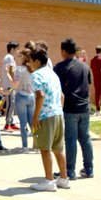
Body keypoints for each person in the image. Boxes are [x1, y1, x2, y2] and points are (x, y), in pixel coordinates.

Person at [28, 48, 70, 192]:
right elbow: (62, 96)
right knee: (58, 148)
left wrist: (35, 117)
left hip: (45, 116)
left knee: (45, 148)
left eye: (30, 61)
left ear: (37, 61)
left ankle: (49, 180)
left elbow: (40, 95)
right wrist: (58, 110)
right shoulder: (53, 74)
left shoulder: (36, 75)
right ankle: (64, 179)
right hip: (58, 114)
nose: (29, 64)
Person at [53, 38, 94, 180]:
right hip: (84, 106)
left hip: (69, 107)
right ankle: (89, 169)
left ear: (63, 51)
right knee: (85, 138)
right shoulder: (85, 66)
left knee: (70, 139)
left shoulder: (59, 67)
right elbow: (88, 85)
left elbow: (57, 89)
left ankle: (69, 170)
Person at [12, 44, 36, 151]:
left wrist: (9, 74)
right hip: (31, 95)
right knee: (32, 122)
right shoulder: (33, 69)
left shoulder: (19, 69)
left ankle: (25, 146)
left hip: (21, 95)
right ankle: (36, 145)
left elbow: (15, 85)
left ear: (23, 57)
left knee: (23, 122)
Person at [1, 41, 19, 131]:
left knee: (12, 103)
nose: (17, 51)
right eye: (16, 49)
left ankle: (11, 122)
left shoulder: (8, 57)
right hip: (9, 84)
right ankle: (7, 123)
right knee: (11, 103)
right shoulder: (10, 57)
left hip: (9, 83)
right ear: (12, 49)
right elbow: (11, 70)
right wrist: (14, 82)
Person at [90, 46, 101, 116]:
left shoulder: (92, 60)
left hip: (96, 80)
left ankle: (97, 111)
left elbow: (92, 71)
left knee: (97, 95)